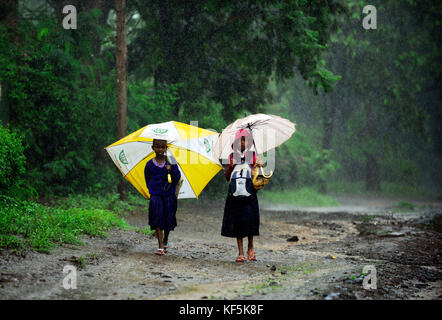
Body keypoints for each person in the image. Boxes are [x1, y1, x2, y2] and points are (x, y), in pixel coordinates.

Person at [221, 129, 264, 262]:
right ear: (235, 143)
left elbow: (258, 176)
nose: (243, 143)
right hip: (234, 194)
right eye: (240, 140)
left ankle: (250, 247)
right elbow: (228, 177)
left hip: (249, 193)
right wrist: (230, 167)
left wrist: (259, 166)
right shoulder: (231, 156)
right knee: (237, 221)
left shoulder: (253, 155)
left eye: (245, 140)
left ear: (250, 142)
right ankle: (240, 252)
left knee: (249, 220)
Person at [144, 139, 181, 255]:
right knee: (156, 219)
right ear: (153, 148)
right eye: (157, 147)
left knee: (168, 219)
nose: (160, 149)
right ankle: (160, 245)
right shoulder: (149, 164)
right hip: (156, 196)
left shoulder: (171, 162)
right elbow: (147, 180)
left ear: (166, 148)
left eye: (162, 147)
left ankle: (165, 240)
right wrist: (152, 192)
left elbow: (177, 178)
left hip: (169, 196)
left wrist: (171, 170)